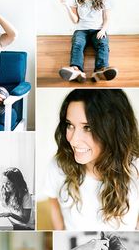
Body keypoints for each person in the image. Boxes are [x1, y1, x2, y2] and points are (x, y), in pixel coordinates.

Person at [44, 89, 139, 230]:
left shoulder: (135, 166)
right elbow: (53, 202)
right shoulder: (58, 165)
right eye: (70, 125)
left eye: (87, 127)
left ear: (113, 129)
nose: (74, 141)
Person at [59, 0, 117, 82]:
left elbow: (107, 18)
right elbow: (75, 20)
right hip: (81, 30)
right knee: (77, 44)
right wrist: (66, 6)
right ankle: (76, 70)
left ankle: (100, 70)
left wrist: (103, 30)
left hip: (98, 30)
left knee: (103, 44)